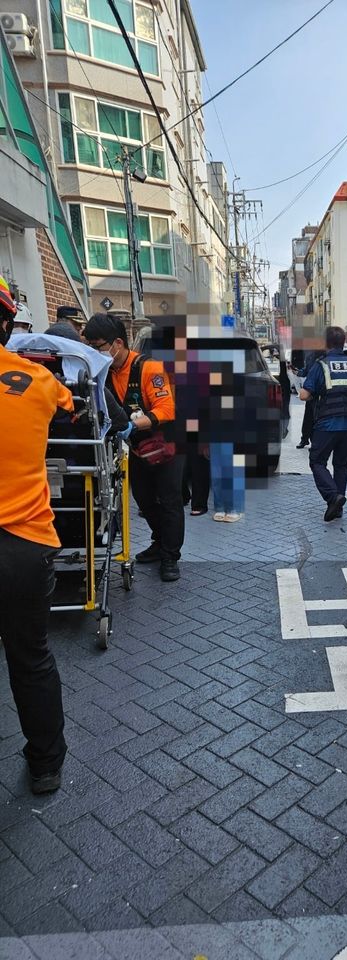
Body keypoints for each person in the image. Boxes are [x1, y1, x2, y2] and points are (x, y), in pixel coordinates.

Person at [0, 276, 73, 794]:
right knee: (30, 657)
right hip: (23, 543)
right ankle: (46, 764)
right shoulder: (36, 380)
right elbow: (74, 411)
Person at [83, 313, 184, 582]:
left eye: (99, 346)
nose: (96, 351)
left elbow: (166, 408)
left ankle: (170, 557)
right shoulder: (104, 373)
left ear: (117, 342)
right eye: (90, 346)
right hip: (136, 450)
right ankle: (159, 541)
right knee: (145, 501)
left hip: (165, 446)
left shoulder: (149, 368)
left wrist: (133, 424)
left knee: (169, 502)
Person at [300, 327, 347, 521]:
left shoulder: (321, 365)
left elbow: (304, 395)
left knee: (317, 461)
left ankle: (333, 497)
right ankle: (337, 509)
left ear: (326, 343)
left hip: (327, 424)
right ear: (343, 342)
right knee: (341, 465)